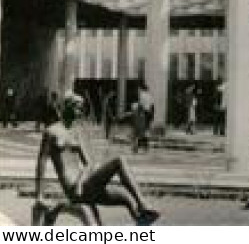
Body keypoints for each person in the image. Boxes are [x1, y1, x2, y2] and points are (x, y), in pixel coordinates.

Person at [34, 94, 159, 226]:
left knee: (126, 198)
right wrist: (39, 195)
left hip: (84, 185)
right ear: (67, 107)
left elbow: (88, 163)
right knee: (119, 160)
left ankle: (141, 219)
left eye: (81, 108)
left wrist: (81, 181)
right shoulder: (52, 131)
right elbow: (41, 163)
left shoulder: (77, 132)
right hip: (72, 188)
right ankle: (143, 203)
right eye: (77, 107)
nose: (80, 112)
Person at [131, 87, 153, 152]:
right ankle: (144, 146)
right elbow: (151, 106)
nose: (138, 91)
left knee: (138, 131)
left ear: (140, 89)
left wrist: (135, 107)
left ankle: (137, 146)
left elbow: (140, 105)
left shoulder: (142, 95)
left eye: (139, 90)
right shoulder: (149, 95)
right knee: (145, 131)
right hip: (148, 114)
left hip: (142, 115)